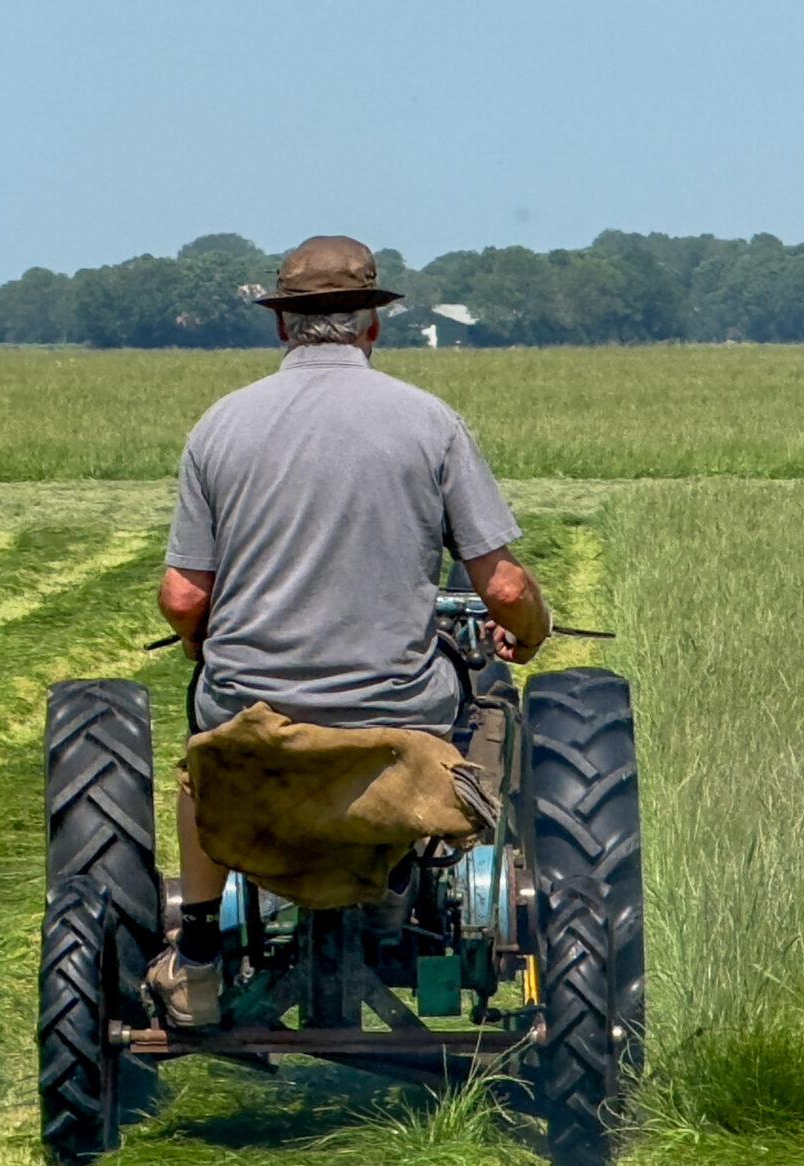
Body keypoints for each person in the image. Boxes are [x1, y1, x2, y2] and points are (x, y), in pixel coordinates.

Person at [150, 234, 552, 1027]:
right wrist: (529, 631)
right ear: (372, 324)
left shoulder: (220, 426)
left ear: (282, 325)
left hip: (252, 717)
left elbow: (183, 596)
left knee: (204, 760)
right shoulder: (429, 422)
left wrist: (205, 646)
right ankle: (421, 868)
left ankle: (195, 957)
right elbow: (503, 587)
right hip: (395, 714)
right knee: (488, 702)